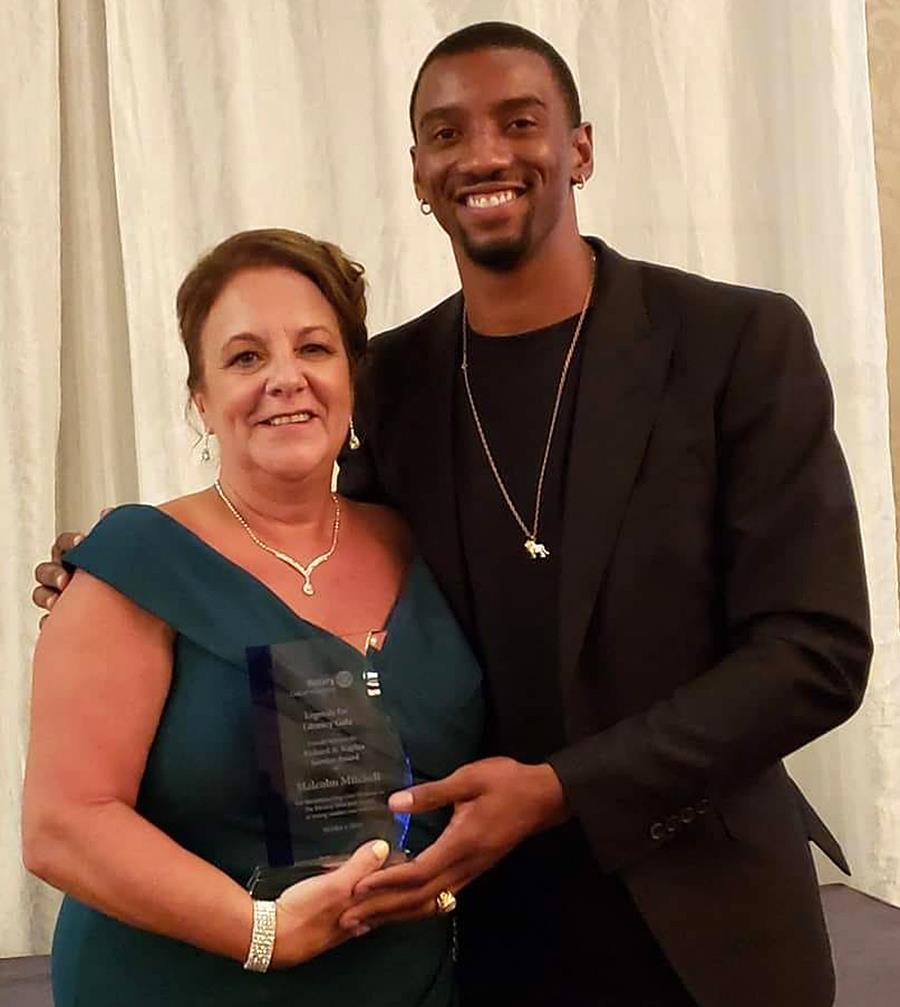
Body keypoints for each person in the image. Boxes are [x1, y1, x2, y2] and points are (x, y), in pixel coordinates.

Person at [34, 20, 872, 1007]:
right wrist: (130, 567)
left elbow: (815, 651)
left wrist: (558, 789)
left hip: (709, 916)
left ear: (580, 149)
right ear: (419, 174)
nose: (482, 154)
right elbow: (313, 566)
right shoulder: (393, 380)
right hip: (483, 931)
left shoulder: (738, 341)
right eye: (446, 133)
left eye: (518, 121)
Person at [23, 228, 484, 1007]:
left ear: (351, 377)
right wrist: (263, 930)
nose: (285, 379)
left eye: (314, 348)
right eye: (245, 357)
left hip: (408, 981)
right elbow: (63, 824)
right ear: (201, 400)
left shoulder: (421, 541)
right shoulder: (139, 560)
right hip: (185, 985)